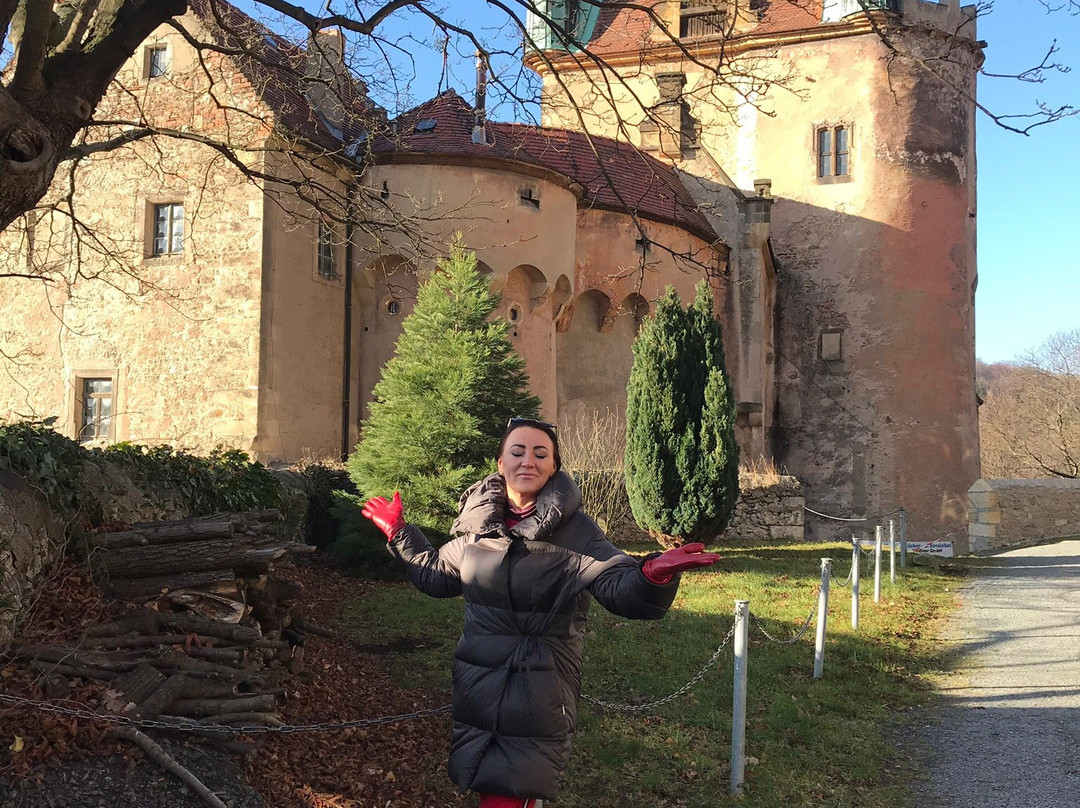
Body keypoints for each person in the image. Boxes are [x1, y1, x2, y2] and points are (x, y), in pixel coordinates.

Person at [362, 416, 721, 808]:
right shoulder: (480, 527)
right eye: (517, 452)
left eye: (540, 453)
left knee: (509, 794)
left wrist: (652, 575)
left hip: (539, 687)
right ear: (500, 463)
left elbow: (618, 587)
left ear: (553, 467)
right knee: (495, 786)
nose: (527, 461)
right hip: (479, 684)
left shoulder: (576, 532)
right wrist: (400, 533)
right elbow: (437, 577)